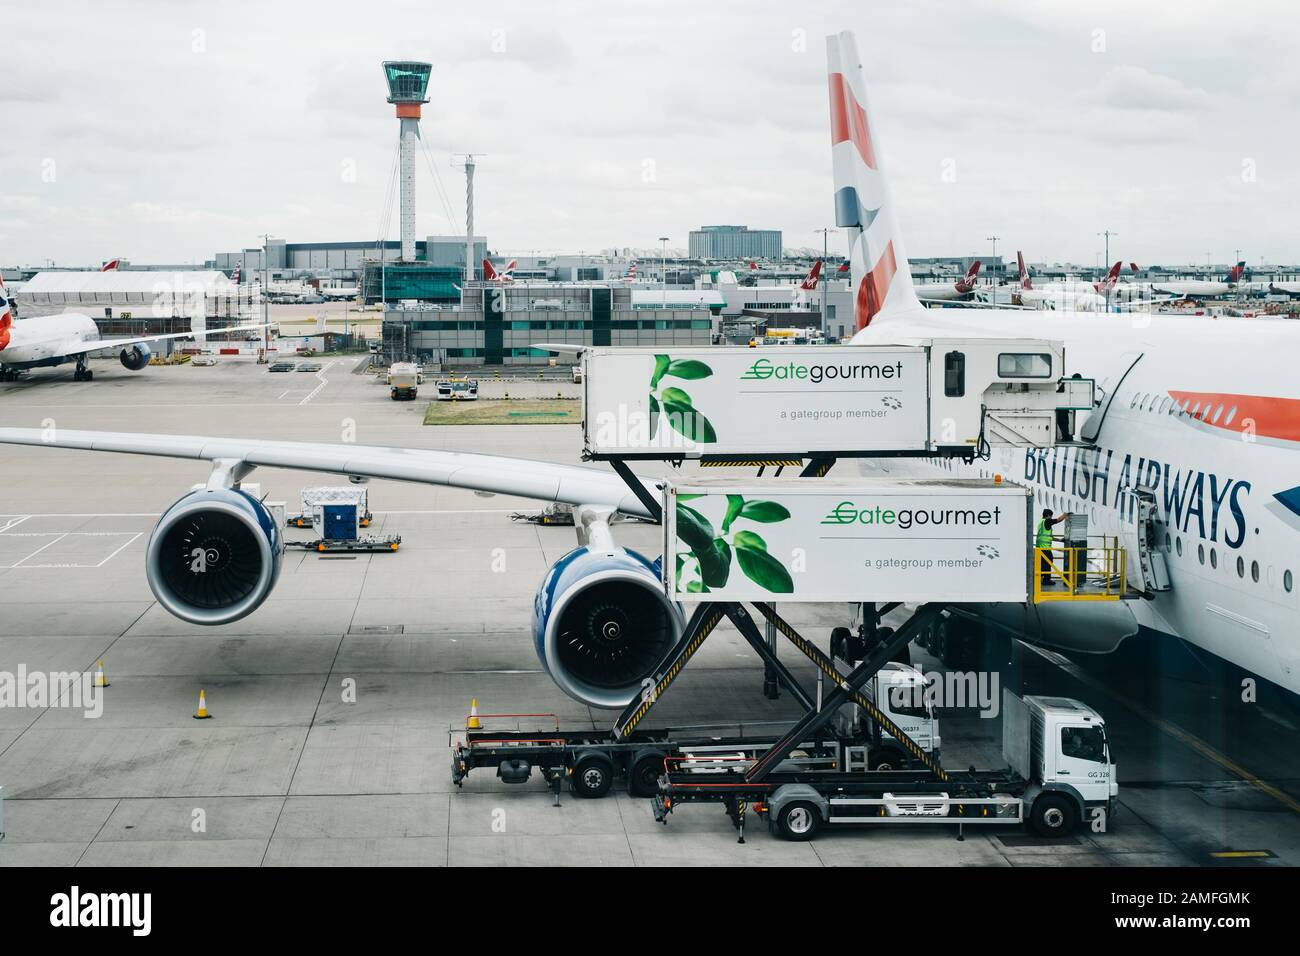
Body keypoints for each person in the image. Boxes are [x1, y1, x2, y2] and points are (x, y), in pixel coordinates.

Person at [1036, 508, 1070, 589]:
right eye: (1051, 516)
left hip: (1039, 548)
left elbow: (1049, 537)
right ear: (1048, 515)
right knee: (1048, 563)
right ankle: (1046, 580)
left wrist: (1059, 540)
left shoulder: (1041, 523)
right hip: (1045, 549)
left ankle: (1041, 579)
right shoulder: (1047, 521)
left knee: (1042, 565)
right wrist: (1065, 515)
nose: (1051, 518)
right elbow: (1057, 520)